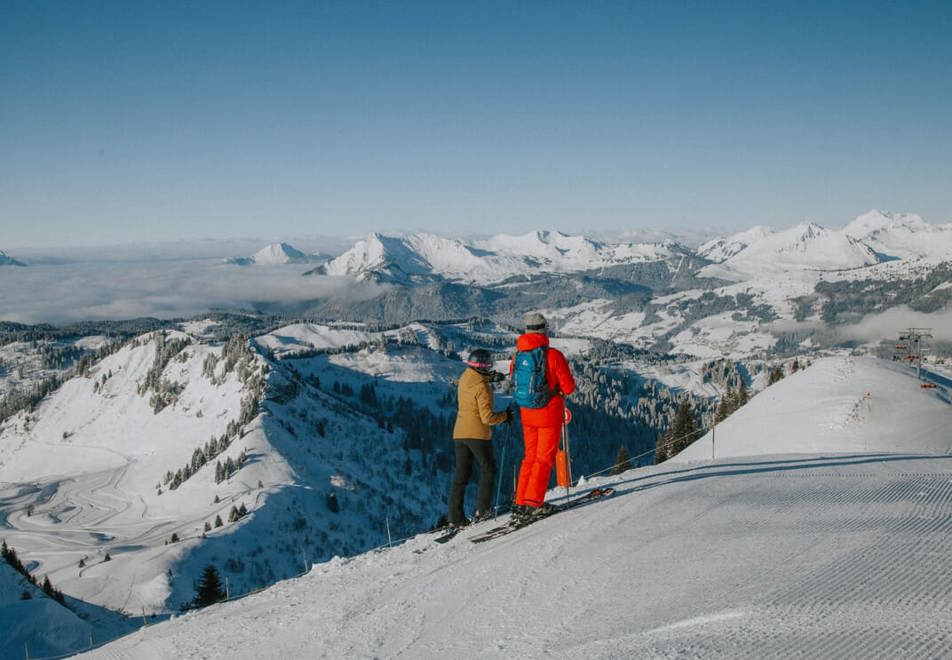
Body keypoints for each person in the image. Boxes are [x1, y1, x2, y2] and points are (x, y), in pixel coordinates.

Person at [510, 312, 576, 522]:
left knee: (529, 457)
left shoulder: (518, 356)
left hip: (527, 414)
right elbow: (569, 387)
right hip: (549, 414)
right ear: (544, 330)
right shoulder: (553, 355)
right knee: (544, 459)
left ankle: (521, 501)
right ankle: (534, 503)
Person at [448, 348, 513, 528]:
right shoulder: (483, 387)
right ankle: (483, 510)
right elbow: (487, 418)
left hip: (459, 433)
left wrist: (490, 378)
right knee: (488, 469)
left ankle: (455, 518)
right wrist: (505, 416)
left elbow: (476, 382)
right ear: (485, 366)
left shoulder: (464, 378)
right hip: (477, 434)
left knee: (461, 476)